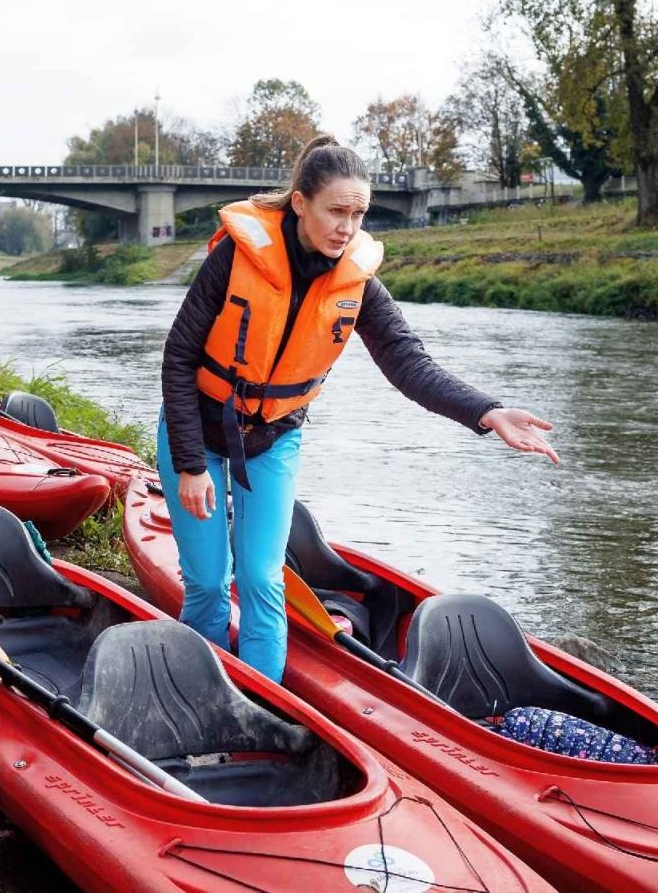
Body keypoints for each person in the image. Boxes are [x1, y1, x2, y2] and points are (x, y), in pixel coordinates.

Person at [159, 135, 559, 681]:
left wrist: (487, 413)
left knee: (260, 577)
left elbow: (408, 362)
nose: (347, 227)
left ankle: (258, 707)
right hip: (198, 429)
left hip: (273, 436)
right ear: (300, 204)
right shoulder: (236, 257)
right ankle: (195, 688)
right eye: (336, 211)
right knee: (207, 580)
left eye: (359, 213)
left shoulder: (358, 281)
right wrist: (187, 464)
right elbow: (179, 358)